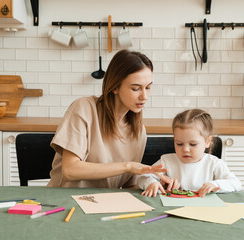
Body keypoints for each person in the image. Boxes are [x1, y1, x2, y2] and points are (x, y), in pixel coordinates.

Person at [47, 50, 166, 188]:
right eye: (135, 88)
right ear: (115, 87)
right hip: (66, 201)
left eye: (148, 87)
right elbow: (70, 170)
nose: (144, 96)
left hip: (104, 204)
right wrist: (127, 166)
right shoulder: (83, 109)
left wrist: (151, 184)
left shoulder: (138, 131)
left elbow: (129, 186)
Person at [137, 109, 242, 197]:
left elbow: (236, 183)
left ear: (207, 142)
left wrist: (214, 184)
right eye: (179, 144)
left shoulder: (214, 163)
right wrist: (152, 183)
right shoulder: (166, 161)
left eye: (193, 144)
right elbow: (141, 178)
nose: (185, 149)